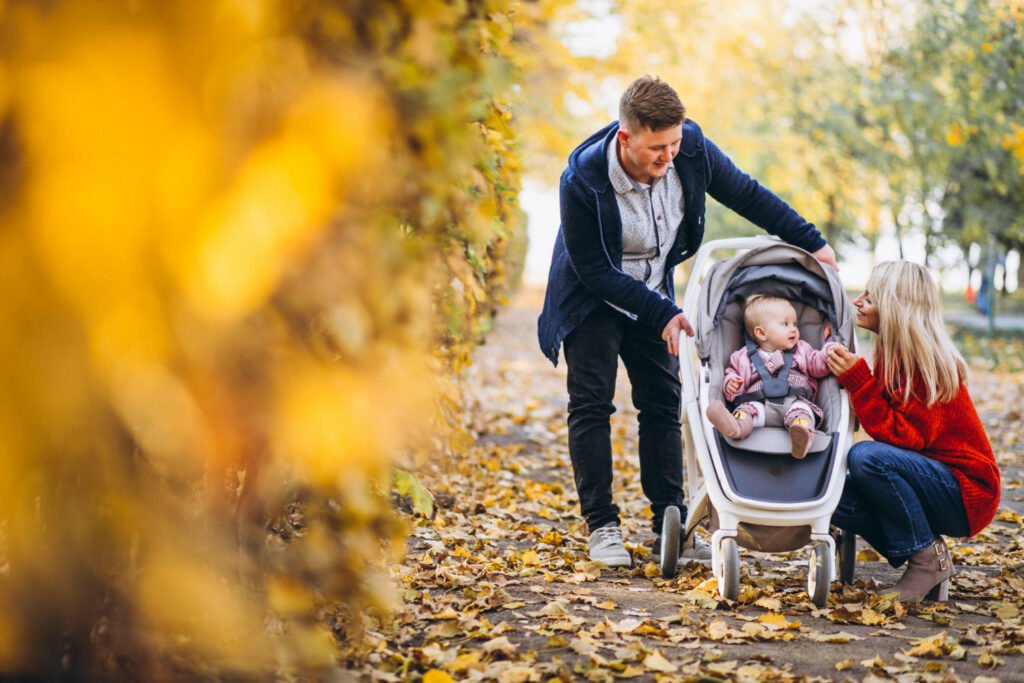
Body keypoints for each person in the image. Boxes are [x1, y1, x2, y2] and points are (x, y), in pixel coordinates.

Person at [536, 75, 839, 568]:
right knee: (591, 404)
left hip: (653, 293)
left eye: (674, 143)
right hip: (592, 296)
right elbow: (595, 270)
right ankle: (602, 526)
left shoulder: (690, 149)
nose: (669, 156)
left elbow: (746, 193)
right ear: (625, 137)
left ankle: (669, 522)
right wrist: (665, 313)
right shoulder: (583, 180)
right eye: (657, 148)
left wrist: (811, 241)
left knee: (663, 402)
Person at [826, 261, 1001, 602]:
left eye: (870, 298)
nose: (858, 301)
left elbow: (904, 438)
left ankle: (924, 562)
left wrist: (859, 381)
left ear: (894, 310)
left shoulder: (927, 364)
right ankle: (929, 552)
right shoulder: (892, 357)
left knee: (866, 458)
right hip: (932, 482)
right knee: (831, 496)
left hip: (967, 489)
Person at [705, 294, 842, 459]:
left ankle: (801, 435)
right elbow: (732, 375)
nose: (794, 329)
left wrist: (829, 352)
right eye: (785, 324)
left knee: (803, 413)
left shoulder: (803, 349)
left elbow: (817, 365)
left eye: (795, 324)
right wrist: (732, 384)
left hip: (795, 401)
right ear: (761, 333)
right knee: (745, 410)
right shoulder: (742, 356)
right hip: (758, 403)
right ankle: (735, 427)